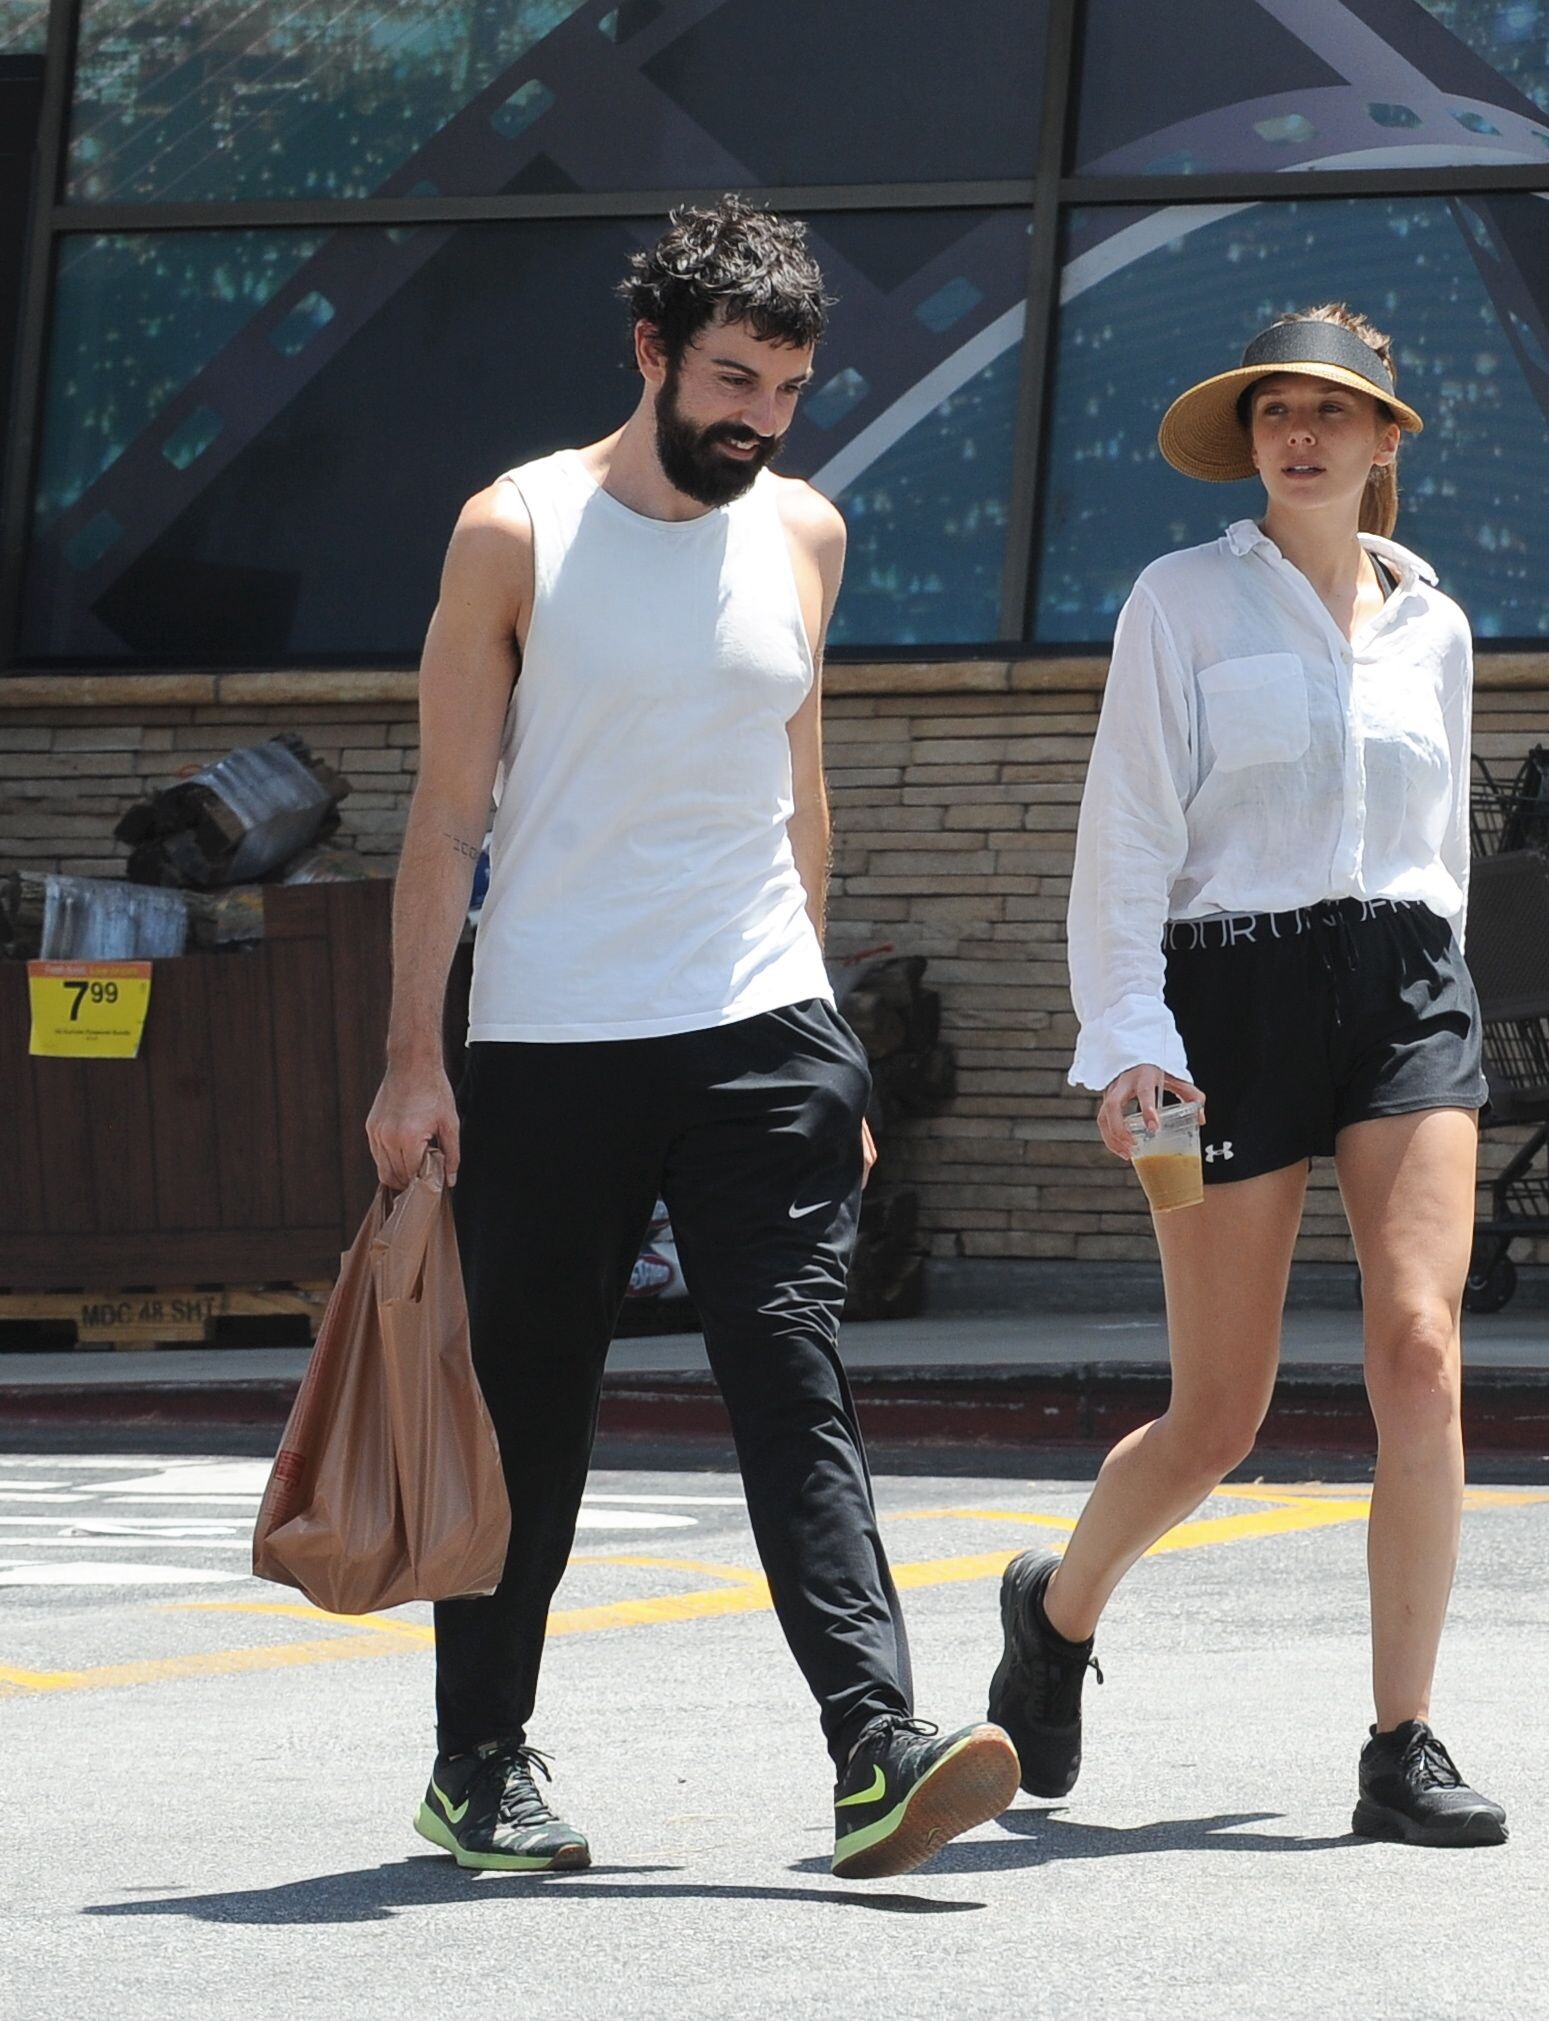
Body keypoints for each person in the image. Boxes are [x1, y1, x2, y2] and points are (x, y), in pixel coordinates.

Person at [367, 196, 1018, 1880]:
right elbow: (445, 820)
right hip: (553, 1031)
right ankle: (477, 1762)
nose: (760, 419)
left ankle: (874, 1746)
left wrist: (830, 1038)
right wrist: (414, 1059)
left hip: (757, 1024)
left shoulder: (803, 533)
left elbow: (797, 795)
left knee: (791, 1375)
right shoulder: (512, 531)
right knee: (532, 1409)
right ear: (649, 351)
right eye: (733, 380)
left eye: (787, 390)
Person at [988, 307, 1507, 1847]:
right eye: (1276, 411)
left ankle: (1401, 1741)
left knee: (1419, 1349)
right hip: (1225, 998)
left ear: (1383, 438)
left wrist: (1437, 977)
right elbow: (1127, 837)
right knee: (1218, 1413)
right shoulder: (1180, 601)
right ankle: (1057, 1614)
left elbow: (1439, 847)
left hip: (1406, 987)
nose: (1299, 435)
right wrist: (1130, 1038)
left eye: (1331, 412)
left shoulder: (1436, 624)